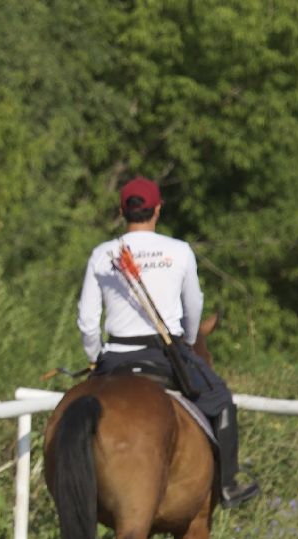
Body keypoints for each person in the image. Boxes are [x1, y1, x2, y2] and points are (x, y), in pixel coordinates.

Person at [77, 176, 260, 508]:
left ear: (122, 210)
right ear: (157, 209)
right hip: (165, 355)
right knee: (221, 399)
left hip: (115, 357)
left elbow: (88, 322)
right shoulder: (179, 251)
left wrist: (94, 357)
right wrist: (187, 341)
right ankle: (228, 485)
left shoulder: (102, 254)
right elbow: (194, 307)